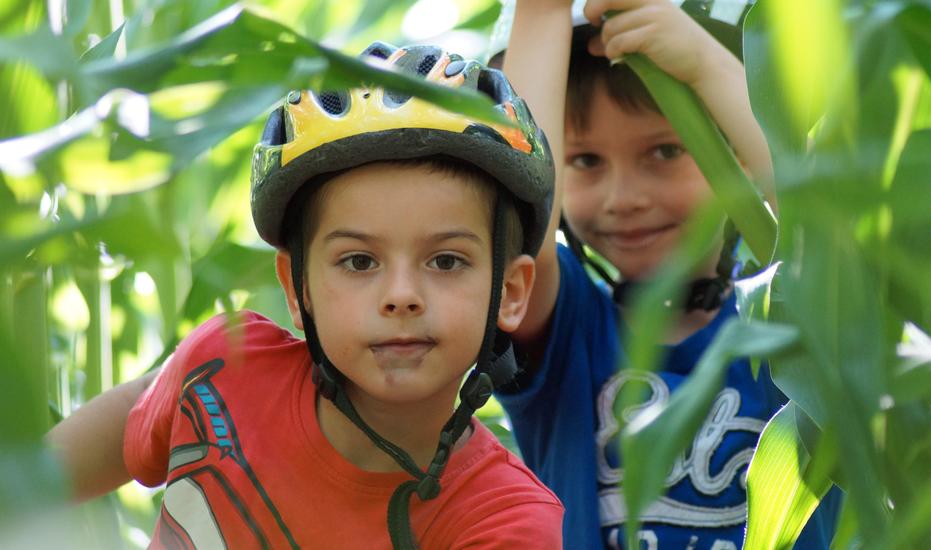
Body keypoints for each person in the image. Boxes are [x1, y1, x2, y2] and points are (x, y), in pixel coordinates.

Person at [46, 42, 563, 549]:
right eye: (359, 261)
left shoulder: (507, 522)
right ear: (297, 287)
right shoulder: (220, 373)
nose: (401, 296)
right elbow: (31, 484)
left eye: (446, 261)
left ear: (510, 292)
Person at [487, 0, 840, 548]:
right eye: (585, 162)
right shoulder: (567, 332)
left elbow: (833, 222)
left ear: (740, 148)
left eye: (665, 150)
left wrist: (706, 64)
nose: (623, 199)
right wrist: (543, 11)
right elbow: (517, 215)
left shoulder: (795, 310)